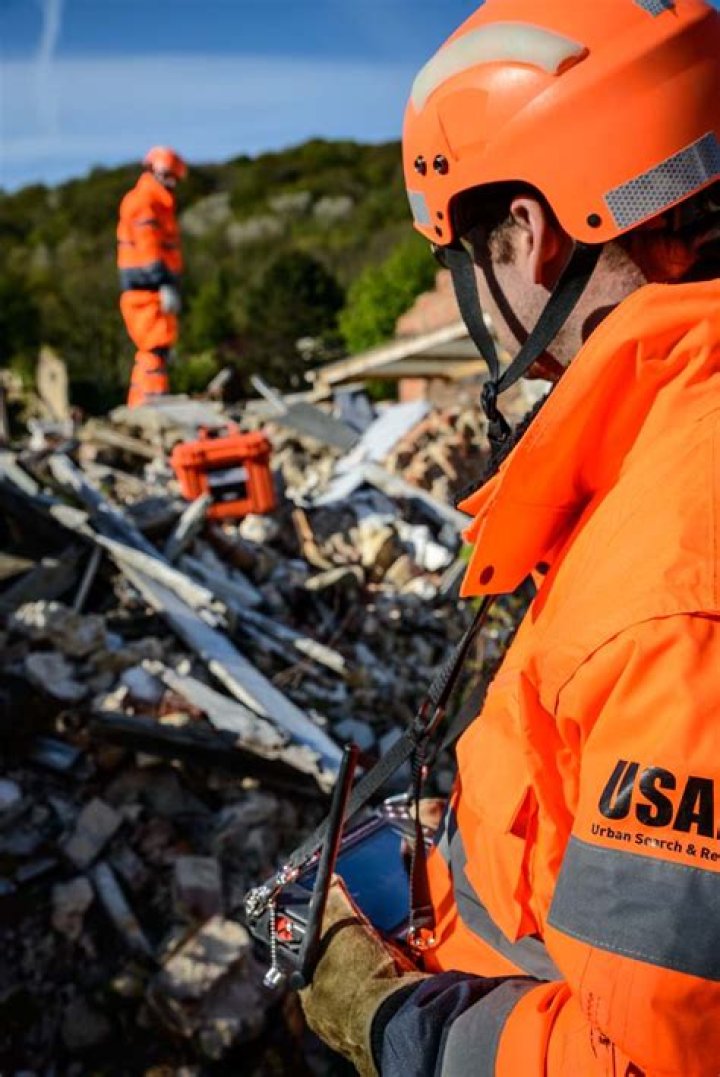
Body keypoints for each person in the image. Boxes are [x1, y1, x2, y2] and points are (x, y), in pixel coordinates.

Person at [300, 1, 720, 1074]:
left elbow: (644, 1058)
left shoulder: (669, 596)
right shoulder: (661, 443)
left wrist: (401, 1031)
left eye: (466, 252)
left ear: (531, 235)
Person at [117, 146, 186, 408]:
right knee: (155, 348)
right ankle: (151, 402)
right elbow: (147, 247)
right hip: (145, 290)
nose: (172, 183)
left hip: (151, 289)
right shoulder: (144, 202)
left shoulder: (158, 203)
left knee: (158, 348)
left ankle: (143, 402)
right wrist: (162, 281)